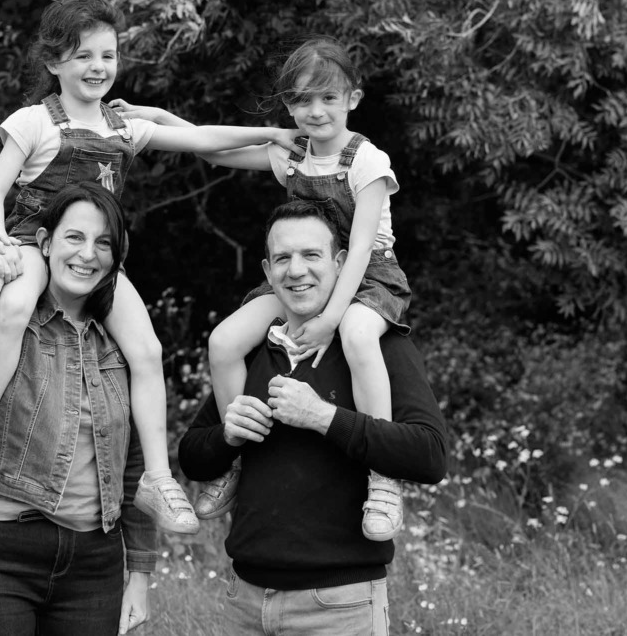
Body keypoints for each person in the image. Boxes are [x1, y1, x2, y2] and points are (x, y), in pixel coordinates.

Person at [0, 0, 300, 535]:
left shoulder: (123, 128)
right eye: (83, 56)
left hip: (101, 261)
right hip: (36, 245)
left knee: (147, 350)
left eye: (107, 55)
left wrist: (270, 133)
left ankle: (155, 477)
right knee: (12, 307)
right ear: (54, 62)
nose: (97, 67)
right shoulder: (34, 121)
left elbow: (200, 139)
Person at [113, 36, 413, 539]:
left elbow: (359, 250)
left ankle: (382, 480)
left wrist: (328, 322)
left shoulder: (368, 160)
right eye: (301, 100)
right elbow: (215, 152)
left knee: (360, 336)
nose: (315, 111)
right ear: (290, 105)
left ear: (353, 99)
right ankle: (239, 453)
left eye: (328, 98)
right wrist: (157, 115)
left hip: (365, 278)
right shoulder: (292, 155)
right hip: (301, 277)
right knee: (224, 341)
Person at [178, 200, 448, 636]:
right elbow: (193, 458)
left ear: (341, 263)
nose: (296, 270)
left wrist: (324, 417)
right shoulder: (251, 350)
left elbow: (430, 454)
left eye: (311, 255)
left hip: (341, 605)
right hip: (244, 600)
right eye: (283, 258)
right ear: (267, 272)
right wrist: (227, 437)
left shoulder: (375, 344)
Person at [0, 182, 157, 635]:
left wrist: (141, 574)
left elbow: (134, 464)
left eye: (103, 243)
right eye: (74, 237)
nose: (88, 254)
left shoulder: (119, 341)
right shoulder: (10, 313)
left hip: (94, 566)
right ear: (45, 243)